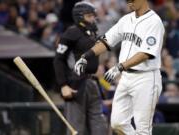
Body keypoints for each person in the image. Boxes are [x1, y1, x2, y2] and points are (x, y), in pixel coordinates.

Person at [74, 0, 165, 134]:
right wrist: (86, 56)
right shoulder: (126, 19)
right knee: (117, 123)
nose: (128, 2)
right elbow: (106, 41)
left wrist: (120, 67)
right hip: (127, 76)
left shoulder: (154, 22)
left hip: (146, 78)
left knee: (143, 128)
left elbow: (146, 53)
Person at [53, 2, 108, 135]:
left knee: (100, 126)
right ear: (79, 17)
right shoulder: (72, 32)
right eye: (89, 16)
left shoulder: (92, 33)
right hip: (76, 83)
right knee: (76, 128)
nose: (93, 19)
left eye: (93, 16)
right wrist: (63, 85)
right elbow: (58, 59)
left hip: (93, 82)